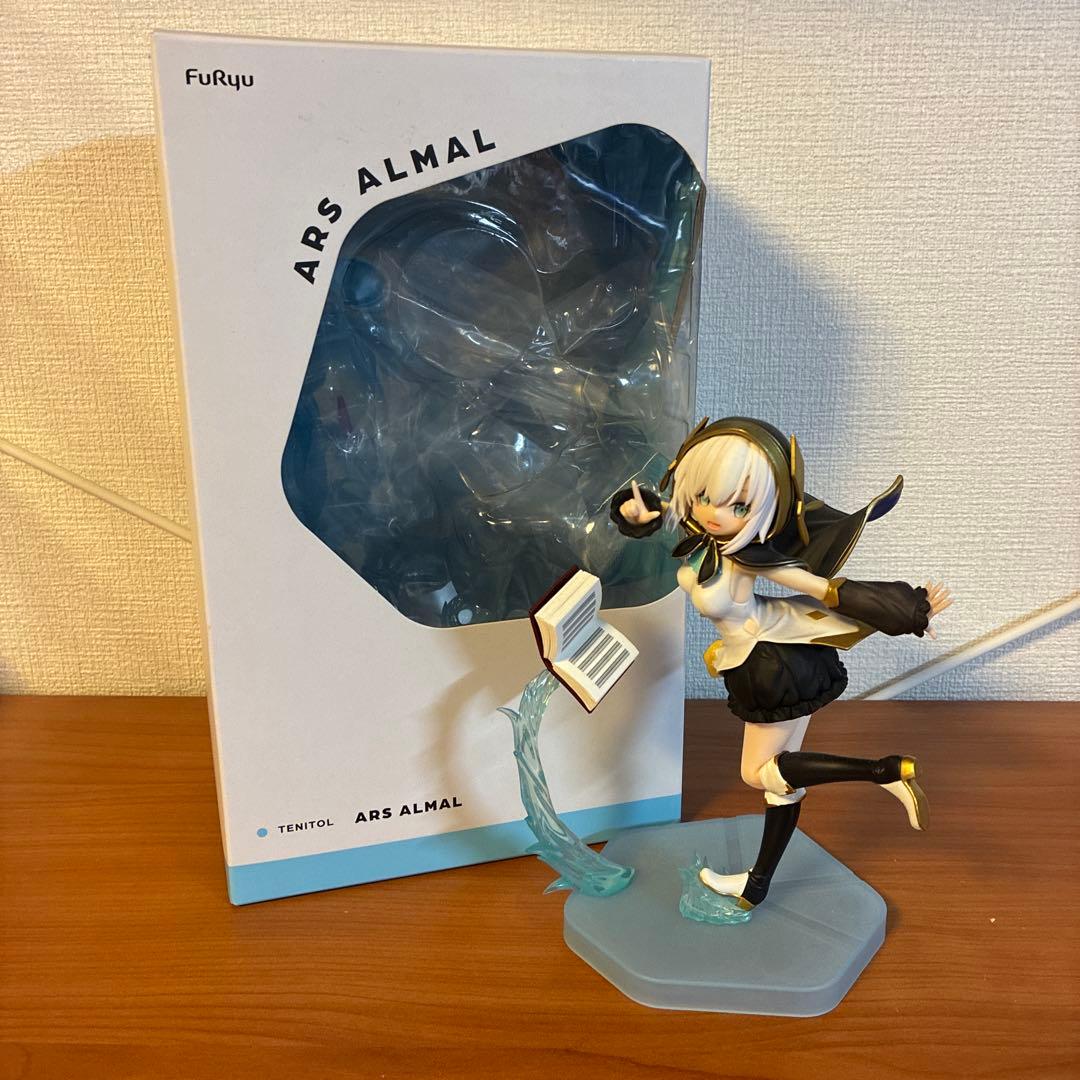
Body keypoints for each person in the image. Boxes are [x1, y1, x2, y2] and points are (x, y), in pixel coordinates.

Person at [609, 416, 952, 910]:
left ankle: (883, 770)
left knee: (757, 774)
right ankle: (756, 886)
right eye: (705, 496)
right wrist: (639, 513)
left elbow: (825, 588)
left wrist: (909, 610)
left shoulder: (751, 556)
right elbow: (673, 513)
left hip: (770, 664)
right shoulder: (705, 535)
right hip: (776, 653)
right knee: (782, 789)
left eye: (739, 506)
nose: (714, 513)